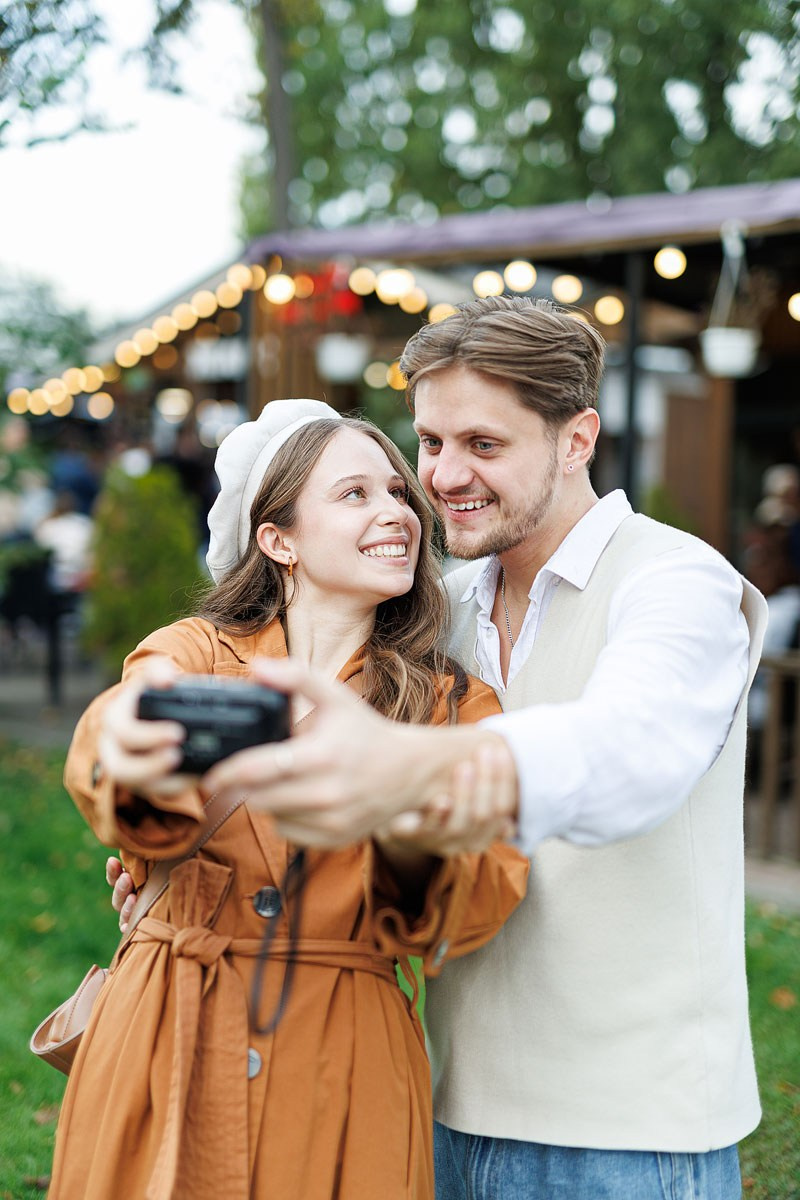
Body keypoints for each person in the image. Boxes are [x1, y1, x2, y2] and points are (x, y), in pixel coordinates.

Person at [183, 297, 768, 1200]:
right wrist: (188, 860)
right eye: (430, 442)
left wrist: (407, 762)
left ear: (577, 439)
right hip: (447, 1100)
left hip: (630, 1133)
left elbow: (631, 751)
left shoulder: (676, 582)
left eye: (483, 446)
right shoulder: (440, 609)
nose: (444, 476)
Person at [51, 398, 528, 1200]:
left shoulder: (454, 707)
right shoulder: (195, 653)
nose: (398, 514)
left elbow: (476, 895)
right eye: (355, 495)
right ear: (278, 540)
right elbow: (123, 732)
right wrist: (128, 750)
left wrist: (408, 827)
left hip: (346, 1057)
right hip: (166, 1029)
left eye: (398, 492)